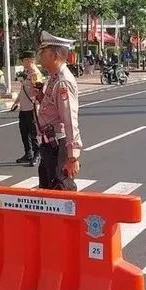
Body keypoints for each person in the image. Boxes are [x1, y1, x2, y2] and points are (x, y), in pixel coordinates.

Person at [36, 31, 82, 190]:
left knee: (61, 191)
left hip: (57, 145)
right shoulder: (53, 77)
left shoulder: (63, 81)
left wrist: (72, 156)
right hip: (48, 144)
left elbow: (70, 118)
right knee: (48, 192)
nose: (40, 56)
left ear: (55, 56)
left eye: (43, 52)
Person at [11, 51, 43, 167]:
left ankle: (37, 153)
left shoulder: (35, 74)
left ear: (29, 60)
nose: (22, 62)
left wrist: (36, 105)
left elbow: (38, 91)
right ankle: (28, 153)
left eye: (23, 60)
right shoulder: (26, 72)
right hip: (24, 107)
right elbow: (23, 89)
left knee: (33, 133)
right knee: (23, 131)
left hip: (32, 107)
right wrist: (16, 102)